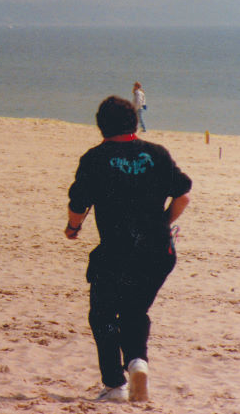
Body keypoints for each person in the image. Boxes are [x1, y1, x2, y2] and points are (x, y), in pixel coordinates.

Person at [64, 96, 191, 403]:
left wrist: (73, 229)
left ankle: (115, 385)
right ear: (134, 122)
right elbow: (183, 196)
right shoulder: (157, 154)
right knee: (134, 310)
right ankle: (137, 362)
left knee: (103, 314)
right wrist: (163, 223)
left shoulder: (94, 158)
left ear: (101, 126)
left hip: (117, 250)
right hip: (159, 251)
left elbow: (78, 206)